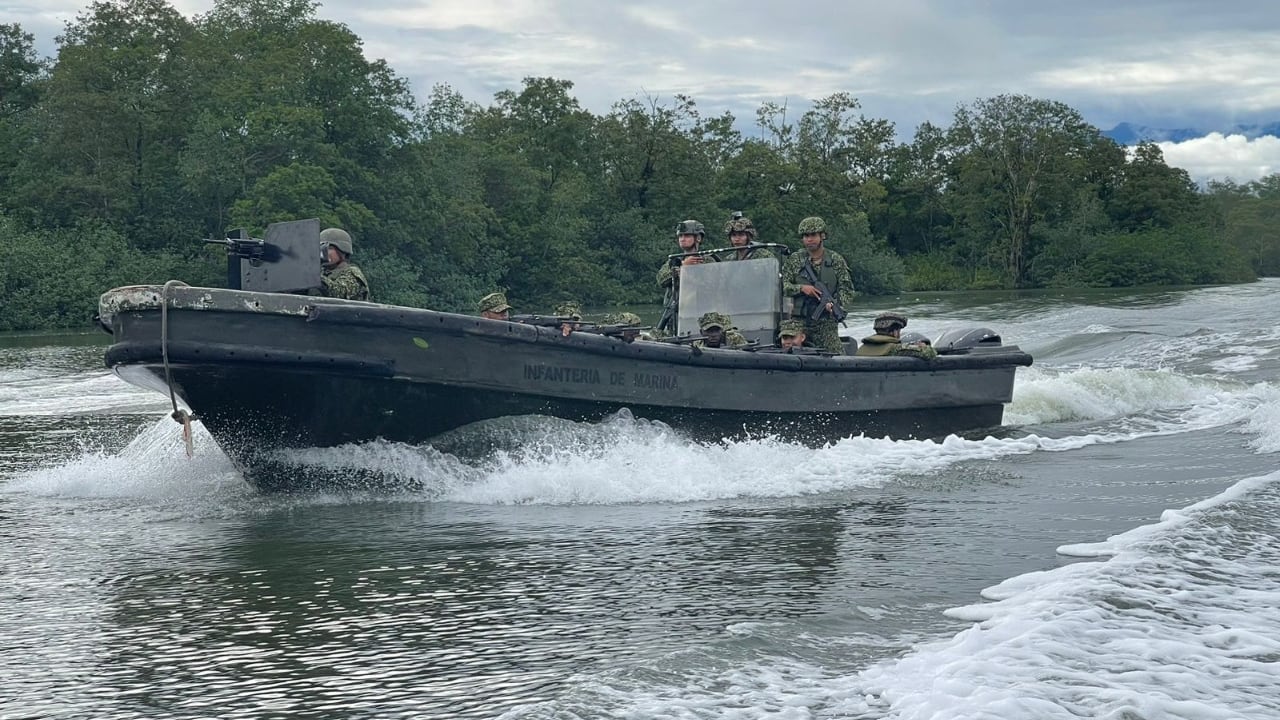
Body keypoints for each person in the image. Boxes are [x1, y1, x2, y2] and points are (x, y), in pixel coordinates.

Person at [781, 216, 853, 354]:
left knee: (837, 356)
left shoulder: (835, 260)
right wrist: (801, 288)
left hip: (825, 322)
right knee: (787, 351)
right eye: (806, 236)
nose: (809, 239)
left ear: (822, 236)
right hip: (798, 321)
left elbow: (847, 289)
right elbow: (783, 286)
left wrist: (836, 304)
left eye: (813, 235)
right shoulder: (795, 260)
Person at [656, 220, 706, 335]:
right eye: (680, 236)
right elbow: (661, 280)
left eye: (687, 235)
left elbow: (712, 286)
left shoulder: (707, 260)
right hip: (674, 316)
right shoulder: (674, 260)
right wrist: (683, 266)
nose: (682, 239)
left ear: (698, 238)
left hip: (700, 315)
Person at [855, 313, 938, 358]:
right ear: (894, 332)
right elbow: (929, 354)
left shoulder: (863, 347)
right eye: (899, 330)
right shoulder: (895, 349)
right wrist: (923, 346)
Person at [319, 227, 370, 301]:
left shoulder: (352, 273)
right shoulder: (321, 273)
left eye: (330, 248)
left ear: (342, 251)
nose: (324, 253)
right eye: (321, 249)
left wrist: (316, 278)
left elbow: (339, 293)